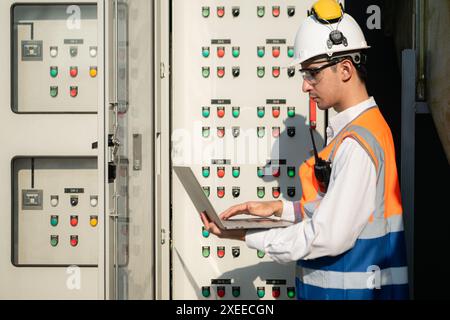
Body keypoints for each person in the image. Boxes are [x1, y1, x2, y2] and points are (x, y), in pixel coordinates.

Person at [200, 0, 409, 300]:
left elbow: (326, 236)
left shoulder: (357, 144)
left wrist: (246, 235)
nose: (305, 86)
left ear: (346, 69)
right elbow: (343, 213)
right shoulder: (360, 133)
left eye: (312, 73)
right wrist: (279, 209)